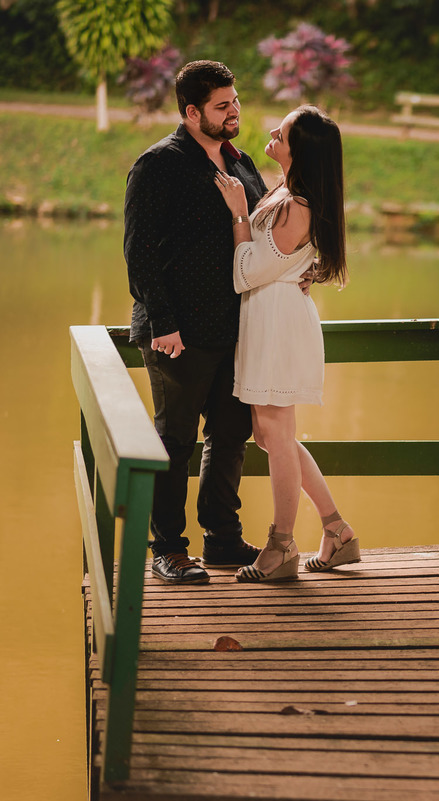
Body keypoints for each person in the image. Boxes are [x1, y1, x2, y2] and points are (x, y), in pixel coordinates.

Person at [125, 60, 269, 584]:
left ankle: (223, 540)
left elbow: (255, 236)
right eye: (222, 105)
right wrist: (163, 322)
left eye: (236, 101)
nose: (235, 112)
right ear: (191, 112)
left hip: (236, 328)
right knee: (174, 439)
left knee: (231, 434)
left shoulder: (243, 162)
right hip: (177, 332)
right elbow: (138, 252)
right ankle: (167, 548)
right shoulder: (159, 164)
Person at [213, 105, 360, 582]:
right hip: (267, 318)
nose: (273, 131)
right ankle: (337, 532)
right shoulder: (286, 193)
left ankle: (281, 547)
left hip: (277, 325)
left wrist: (238, 215)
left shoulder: (299, 206)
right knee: (274, 437)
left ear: (302, 150)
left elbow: (246, 273)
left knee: (276, 439)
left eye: (286, 130)